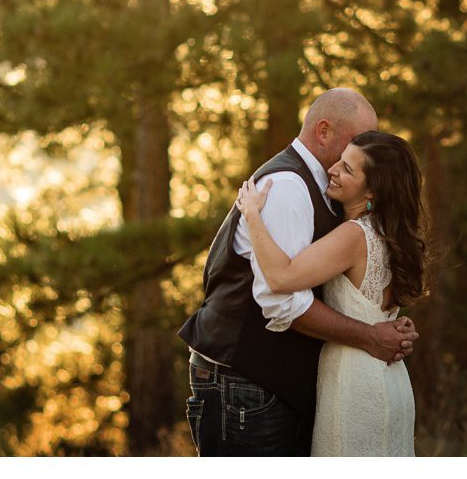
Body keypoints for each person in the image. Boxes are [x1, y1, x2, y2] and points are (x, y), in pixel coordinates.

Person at [177, 88, 418, 456]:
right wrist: (370, 334)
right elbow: (282, 300)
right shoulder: (288, 187)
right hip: (246, 384)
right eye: (357, 141)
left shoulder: (343, 207)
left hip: (293, 387)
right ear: (324, 131)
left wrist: (378, 329)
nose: (365, 151)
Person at [236, 130, 426, 456]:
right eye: (340, 160)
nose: (333, 169)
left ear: (373, 191)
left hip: (355, 382)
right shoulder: (390, 234)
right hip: (390, 380)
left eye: (348, 169)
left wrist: (253, 216)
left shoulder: (354, 236)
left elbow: (281, 278)